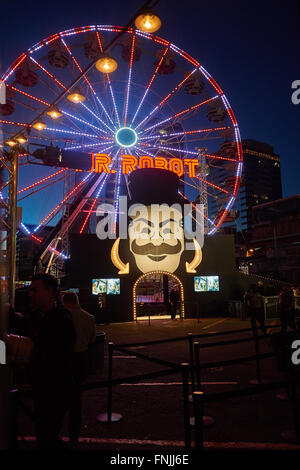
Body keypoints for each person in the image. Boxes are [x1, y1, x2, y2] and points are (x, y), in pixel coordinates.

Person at [27, 274, 76, 449]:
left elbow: (55, 358)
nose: (30, 294)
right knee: (47, 433)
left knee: (47, 434)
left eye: (35, 290)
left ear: (50, 292)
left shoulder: (60, 321)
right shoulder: (41, 317)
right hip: (47, 390)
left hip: (53, 391)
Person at [62, 291, 96, 444]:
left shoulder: (61, 317)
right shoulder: (89, 317)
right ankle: (74, 433)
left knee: (61, 394)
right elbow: (92, 339)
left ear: (66, 303)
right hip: (82, 357)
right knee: (77, 397)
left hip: (65, 358)